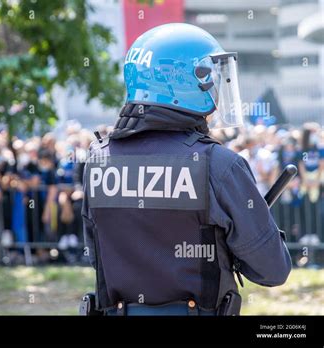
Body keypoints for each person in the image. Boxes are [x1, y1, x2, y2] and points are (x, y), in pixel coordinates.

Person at [81, 23, 291, 316]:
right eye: (211, 77)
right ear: (185, 83)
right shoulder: (220, 165)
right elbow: (273, 270)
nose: (218, 89)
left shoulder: (97, 160)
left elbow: (97, 256)